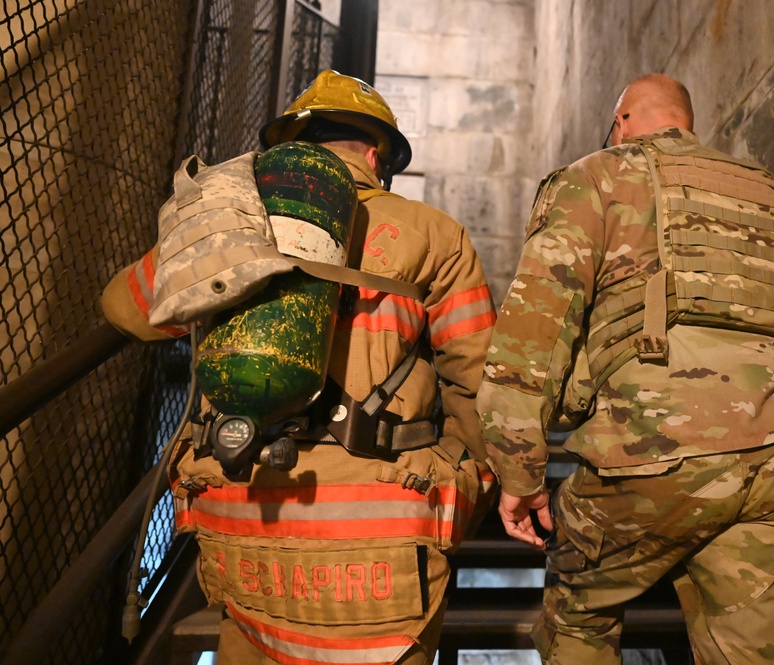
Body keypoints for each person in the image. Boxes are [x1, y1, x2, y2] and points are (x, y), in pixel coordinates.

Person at [102, 70, 497, 665]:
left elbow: (124, 310)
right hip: (381, 546)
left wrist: (212, 233)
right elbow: (482, 383)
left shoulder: (231, 221)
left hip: (242, 528)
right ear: (374, 154)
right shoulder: (434, 234)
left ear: (293, 142)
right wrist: (464, 492)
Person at [477, 73, 774, 664]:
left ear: (622, 122)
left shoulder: (597, 176)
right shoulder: (768, 194)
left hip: (650, 457)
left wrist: (519, 478)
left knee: (579, 610)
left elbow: (530, 343)